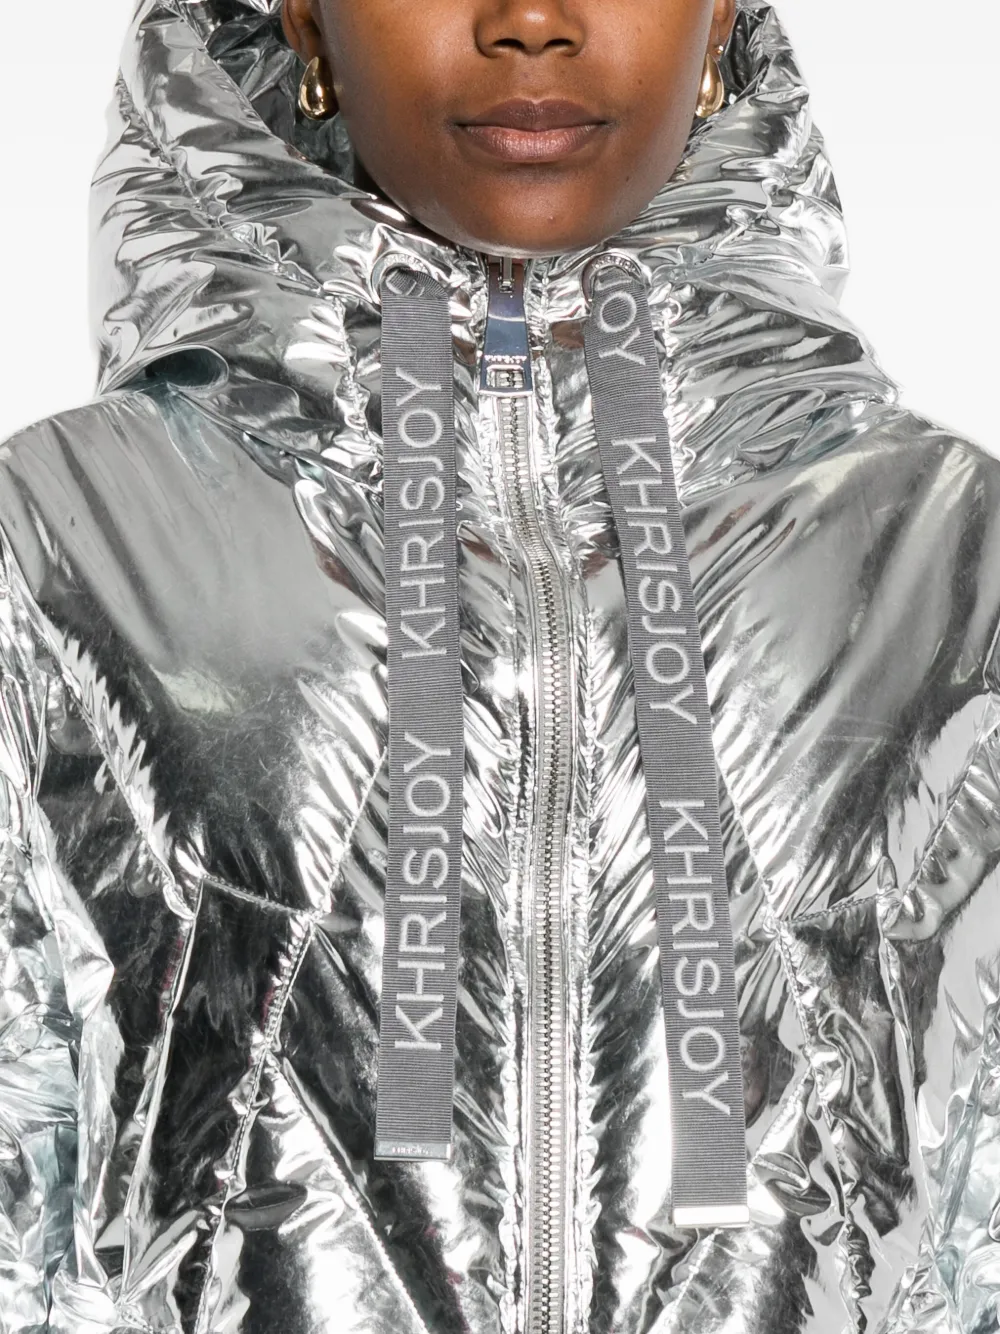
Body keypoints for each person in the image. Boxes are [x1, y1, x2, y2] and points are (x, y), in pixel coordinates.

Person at [1, 0, 998, 1331]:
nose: (531, 19)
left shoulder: (952, 563)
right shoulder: (59, 545)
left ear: (717, 21)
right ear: (306, 21)